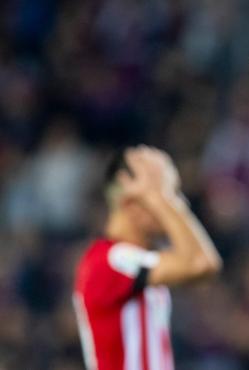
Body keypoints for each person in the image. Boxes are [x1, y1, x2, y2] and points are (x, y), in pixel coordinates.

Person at [73, 146, 222, 370]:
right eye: (170, 194)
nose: (179, 205)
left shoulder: (135, 260)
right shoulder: (109, 261)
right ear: (131, 203)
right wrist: (159, 197)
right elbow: (201, 264)